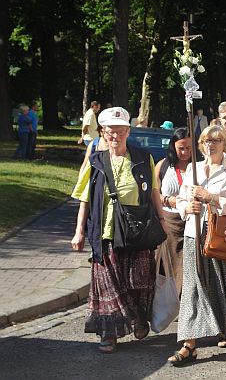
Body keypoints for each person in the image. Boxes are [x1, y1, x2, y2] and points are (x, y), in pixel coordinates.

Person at [70, 107, 165, 354]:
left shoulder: (144, 158)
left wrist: (162, 221)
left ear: (128, 132)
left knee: (137, 281)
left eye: (120, 131)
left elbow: (154, 191)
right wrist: (79, 231)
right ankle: (109, 334)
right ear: (102, 132)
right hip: (105, 232)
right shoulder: (95, 162)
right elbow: (84, 198)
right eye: (110, 132)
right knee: (107, 285)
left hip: (137, 230)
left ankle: (138, 318)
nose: (115, 136)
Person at [169, 125, 226, 365]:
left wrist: (211, 198)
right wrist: (187, 207)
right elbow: (181, 200)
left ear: (225, 144)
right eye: (206, 140)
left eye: (216, 140)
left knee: (225, 285)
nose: (210, 144)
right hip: (193, 234)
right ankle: (189, 344)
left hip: (219, 235)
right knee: (193, 288)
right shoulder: (193, 169)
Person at [154, 127, 192, 295]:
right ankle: (169, 302)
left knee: (188, 266)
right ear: (173, 147)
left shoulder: (200, 167)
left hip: (191, 222)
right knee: (168, 266)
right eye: (180, 148)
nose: (184, 152)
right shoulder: (163, 166)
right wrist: (168, 200)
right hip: (168, 222)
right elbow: (153, 193)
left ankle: (186, 302)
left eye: (188, 148)